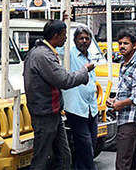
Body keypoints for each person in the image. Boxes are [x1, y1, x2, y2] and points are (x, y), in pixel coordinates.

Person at [24, 20, 94, 170]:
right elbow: (63, 79)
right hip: (45, 114)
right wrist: (84, 71)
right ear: (55, 35)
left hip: (53, 112)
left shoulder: (46, 52)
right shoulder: (42, 55)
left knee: (64, 156)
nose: (65, 39)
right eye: (64, 35)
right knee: (41, 158)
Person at [107, 30, 136, 170]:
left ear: (134, 45)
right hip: (123, 116)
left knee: (122, 162)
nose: (122, 46)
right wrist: (115, 100)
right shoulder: (124, 63)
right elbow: (127, 89)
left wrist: (122, 103)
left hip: (132, 118)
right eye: (119, 43)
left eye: (125, 43)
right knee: (131, 160)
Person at [62, 27, 99, 170]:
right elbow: (59, 48)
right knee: (85, 145)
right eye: (81, 38)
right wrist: (64, 18)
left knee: (90, 144)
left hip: (91, 108)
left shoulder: (90, 56)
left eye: (87, 38)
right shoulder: (69, 55)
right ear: (75, 40)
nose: (84, 41)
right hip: (76, 108)